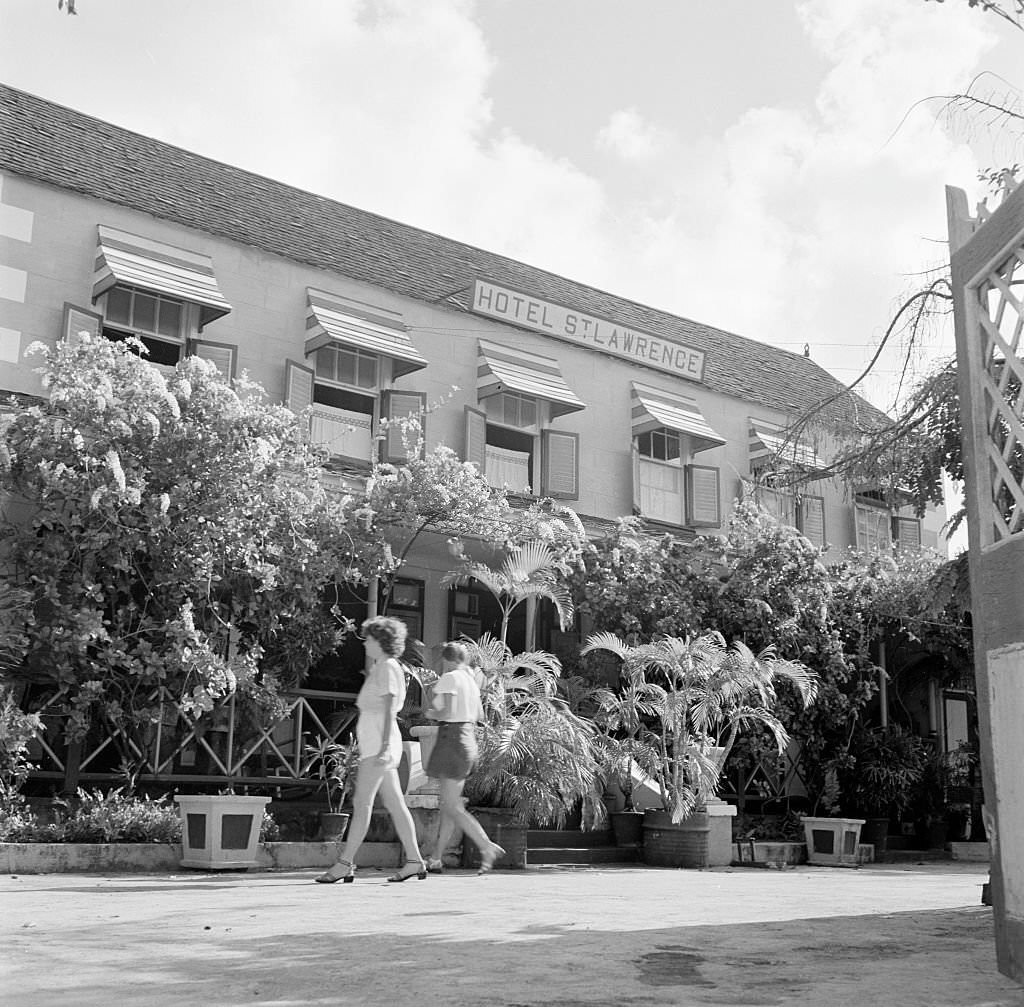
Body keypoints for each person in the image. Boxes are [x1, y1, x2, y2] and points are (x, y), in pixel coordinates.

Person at [315, 616, 428, 884]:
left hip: (380, 747)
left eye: (369, 639)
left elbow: (390, 707)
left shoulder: (387, 667)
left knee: (362, 804)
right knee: (395, 805)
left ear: (381, 642)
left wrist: (385, 745)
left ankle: (344, 864)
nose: (365, 643)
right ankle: (414, 860)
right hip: (379, 746)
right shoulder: (385, 667)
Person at [424, 641, 505, 874]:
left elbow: (445, 711)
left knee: (450, 805)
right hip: (467, 739)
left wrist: (430, 712)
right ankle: (436, 858)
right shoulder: (470, 682)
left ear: (446, 659)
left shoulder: (449, 678)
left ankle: (485, 845)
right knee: (449, 805)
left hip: (451, 739)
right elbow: (479, 714)